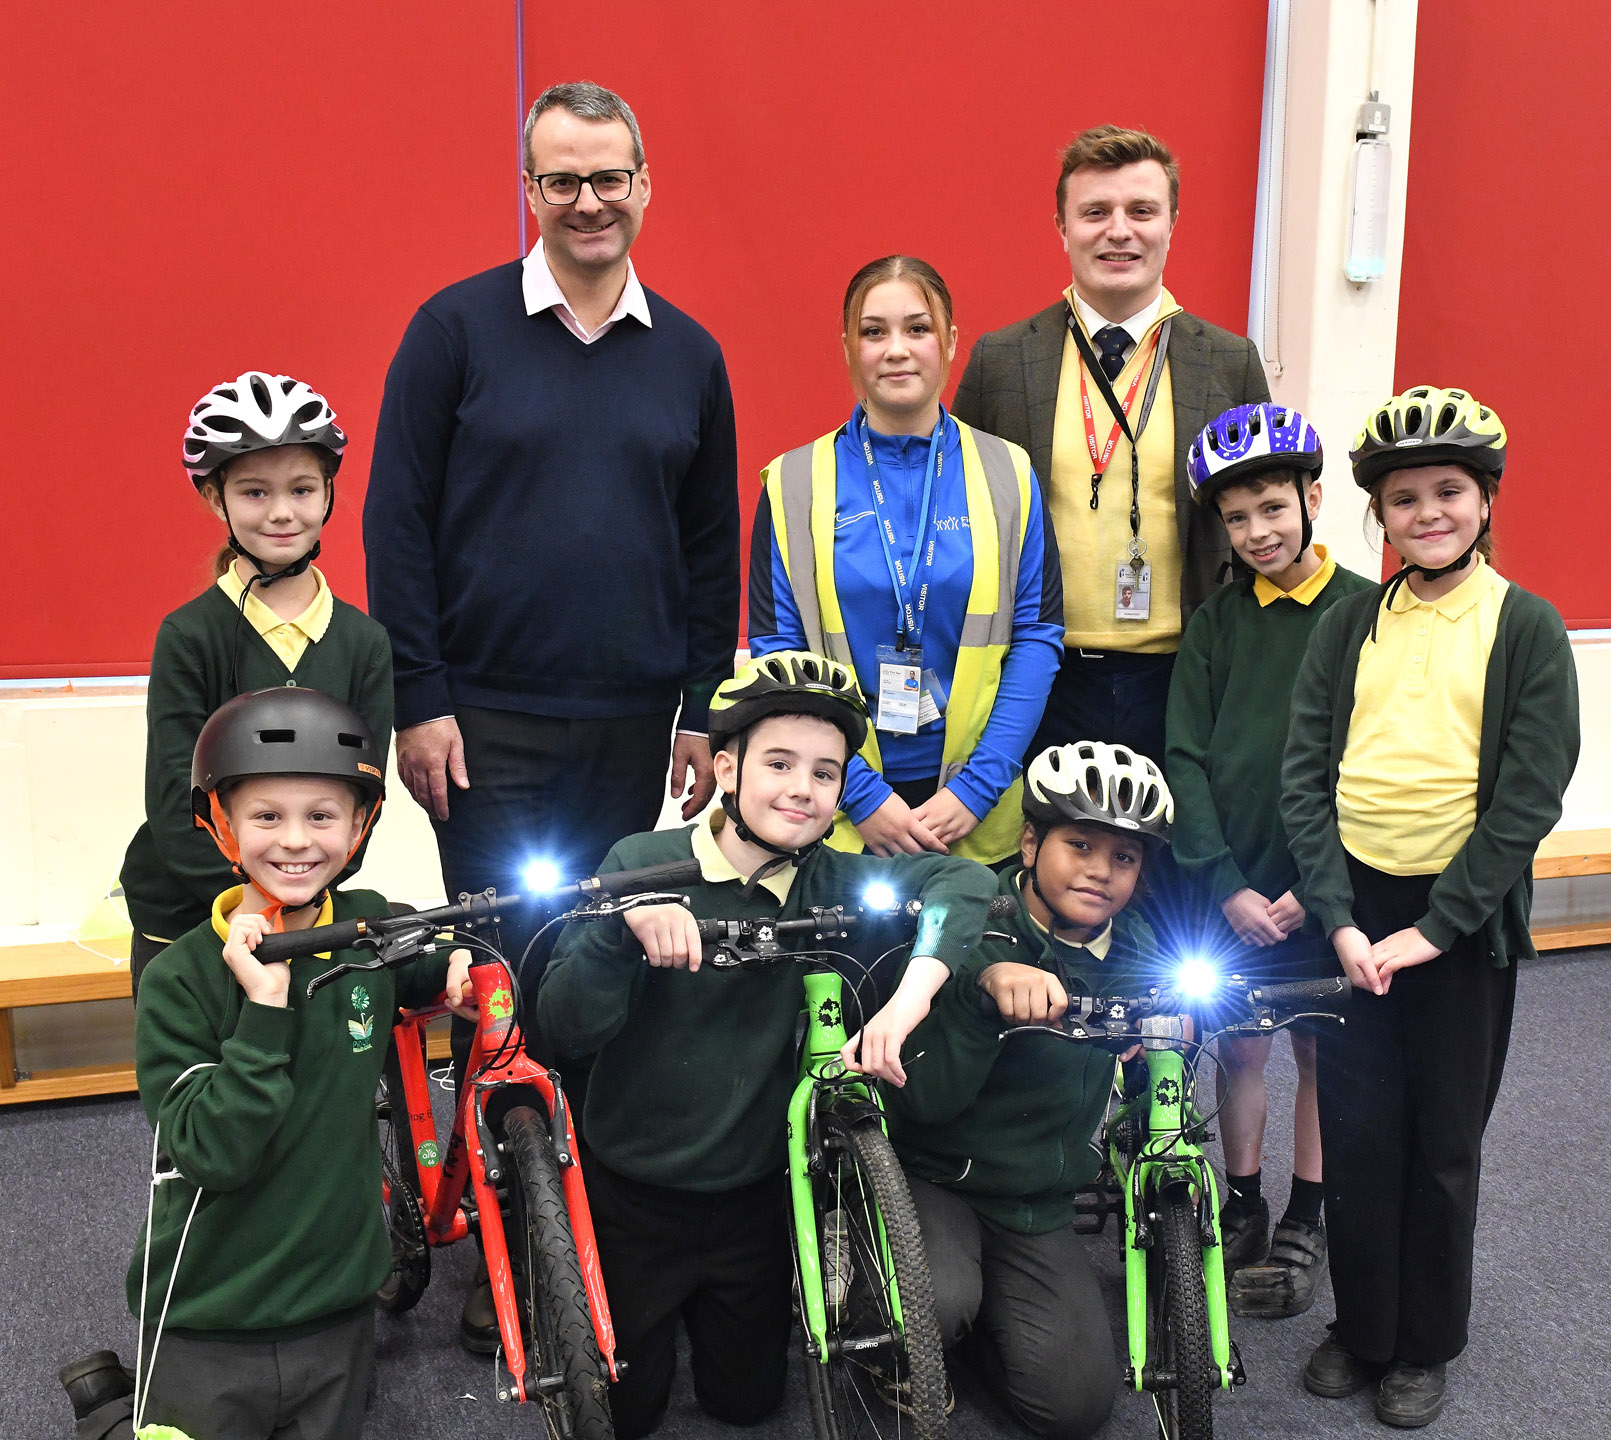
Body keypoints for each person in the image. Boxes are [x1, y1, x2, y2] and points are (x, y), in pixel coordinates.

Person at [364, 79, 741, 1350]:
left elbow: (706, 545)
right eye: (561, 178)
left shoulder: (689, 354)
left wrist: (698, 705)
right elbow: (396, 523)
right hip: (483, 729)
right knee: (501, 980)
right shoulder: (455, 330)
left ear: (646, 185)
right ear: (529, 190)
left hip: (630, 726)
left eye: (609, 176)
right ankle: (509, 1236)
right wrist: (420, 699)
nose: (588, 200)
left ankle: (589, 1214)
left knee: (595, 965)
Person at [535, 653, 995, 1440]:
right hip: (635, 1187)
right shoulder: (641, 863)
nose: (801, 789)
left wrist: (906, 1005)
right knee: (624, 1418)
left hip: (753, 1196)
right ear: (725, 766)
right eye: (777, 764)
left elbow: (963, 882)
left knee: (745, 1403)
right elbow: (564, 1030)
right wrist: (621, 930)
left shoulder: (836, 881)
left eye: (825, 773)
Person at [61, 689, 474, 1440]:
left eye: (323, 814)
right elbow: (215, 1148)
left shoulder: (368, 931)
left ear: (360, 825)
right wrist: (265, 1013)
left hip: (332, 1300)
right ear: (220, 823)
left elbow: (429, 964)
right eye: (267, 815)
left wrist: (460, 970)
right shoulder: (181, 981)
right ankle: (108, 1409)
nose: (296, 839)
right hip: (212, 1305)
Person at [1282, 387, 1579, 1428]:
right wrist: (1342, 916)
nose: (1428, 513)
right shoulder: (1354, 620)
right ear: (1380, 514)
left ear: (1486, 500)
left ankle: (1424, 1340)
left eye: (1449, 491)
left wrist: (1436, 925)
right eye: (1404, 498)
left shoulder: (1526, 626)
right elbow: (1305, 775)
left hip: (1460, 919)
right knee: (1361, 1128)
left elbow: (1527, 799)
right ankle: (1362, 1327)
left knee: (1442, 1137)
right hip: (1360, 911)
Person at [952, 125, 1271, 771]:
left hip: (1184, 678)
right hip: (1037, 676)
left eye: (1141, 211)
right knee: (1047, 866)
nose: (1118, 231)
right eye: (1094, 212)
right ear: (1061, 227)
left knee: (1172, 868)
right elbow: (960, 526)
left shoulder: (1228, 364)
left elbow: (1263, 525)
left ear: (1171, 224)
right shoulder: (1001, 362)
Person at [888, 742, 1170, 1440]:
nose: (1100, 871)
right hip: (936, 1172)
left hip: (1035, 1197)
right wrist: (983, 993)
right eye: (1078, 845)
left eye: (1124, 858)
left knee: (1072, 1408)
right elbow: (920, 1101)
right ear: (1028, 840)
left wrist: (1169, 1038)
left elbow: (1148, 1080)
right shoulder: (968, 921)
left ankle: (987, 1321)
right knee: (935, 1302)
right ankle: (906, 1311)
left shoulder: (1136, 948)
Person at [1165, 404, 1375, 1318]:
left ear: (1312, 498)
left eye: (1271, 509)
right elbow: (1186, 758)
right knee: (1240, 1045)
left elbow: (1365, 761)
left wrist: (1307, 890)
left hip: (1320, 891)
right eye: (1236, 517)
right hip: (1236, 890)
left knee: (1320, 1052)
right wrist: (1227, 884)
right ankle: (1243, 1199)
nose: (1255, 532)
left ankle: (1308, 1215)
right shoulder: (1215, 626)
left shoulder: (1363, 612)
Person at [748, 255, 1062, 864]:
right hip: (837, 817)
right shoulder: (792, 482)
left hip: (974, 813)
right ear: (848, 348)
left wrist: (976, 788)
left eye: (917, 329)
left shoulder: (1009, 472)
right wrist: (858, 795)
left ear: (950, 342)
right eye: (874, 331)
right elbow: (778, 652)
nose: (897, 349)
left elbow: (1037, 637)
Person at [119, 373, 393, 997]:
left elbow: (365, 801)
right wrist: (243, 904)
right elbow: (172, 801)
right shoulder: (190, 636)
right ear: (216, 499)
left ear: (328, 491)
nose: (280, 512)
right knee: (195, 1087)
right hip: (187, 914)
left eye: (301, 489)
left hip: (303, 911)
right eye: (253, 492)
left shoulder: (365, 643)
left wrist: (294, 901)